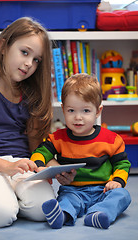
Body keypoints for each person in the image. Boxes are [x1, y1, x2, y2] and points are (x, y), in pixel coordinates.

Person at [0, 17, 56, 228]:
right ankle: (4, 197)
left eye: (37, 59)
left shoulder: (31, 95)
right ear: (3, 46)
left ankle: (9, 196)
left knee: (45, 209)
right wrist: (7, 167)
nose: (29, 63)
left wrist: (50, 166)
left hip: (21, 165)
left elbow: (35, 147)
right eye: (24, 52)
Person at [31, 73, 131, 229]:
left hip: (103, 189)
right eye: (71, 111)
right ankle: (61, 216)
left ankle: (99, 214)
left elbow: (122, 164)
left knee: (123, 195)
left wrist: (117, 181)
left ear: (98, 111)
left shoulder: (112, 139)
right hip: (73, 190)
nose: (78, 117)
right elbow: (39, 152)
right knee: (66, 200)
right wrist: (39, 165)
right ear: (63, 109)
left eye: (86, 111)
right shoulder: (58, 138)